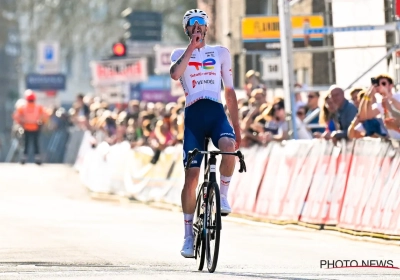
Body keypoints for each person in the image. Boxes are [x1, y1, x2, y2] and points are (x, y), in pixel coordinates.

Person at [170, 9, 241, 258]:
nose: (198, 26)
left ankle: (222, 196)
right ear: (187, 29)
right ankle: (188, 236)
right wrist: (192, 47)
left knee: (229, 149)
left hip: (216, 113)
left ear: (207, 28)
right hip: (194, 118)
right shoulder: (179, 54)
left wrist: (238, 129)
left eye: (201, 23)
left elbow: (230, 92)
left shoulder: (221, 53)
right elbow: (175, 74)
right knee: (191, 177)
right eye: (192, 23)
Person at [13, 90, 48, 164]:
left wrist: (21, 122)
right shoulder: (38, 107)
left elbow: (16, 116)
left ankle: (24, 158)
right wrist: (42, 122)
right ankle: (37, 158)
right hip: (35, 127)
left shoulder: (23, 108)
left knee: (26, 143)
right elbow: (45, 115)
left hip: (26, 127)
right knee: (36, 143)